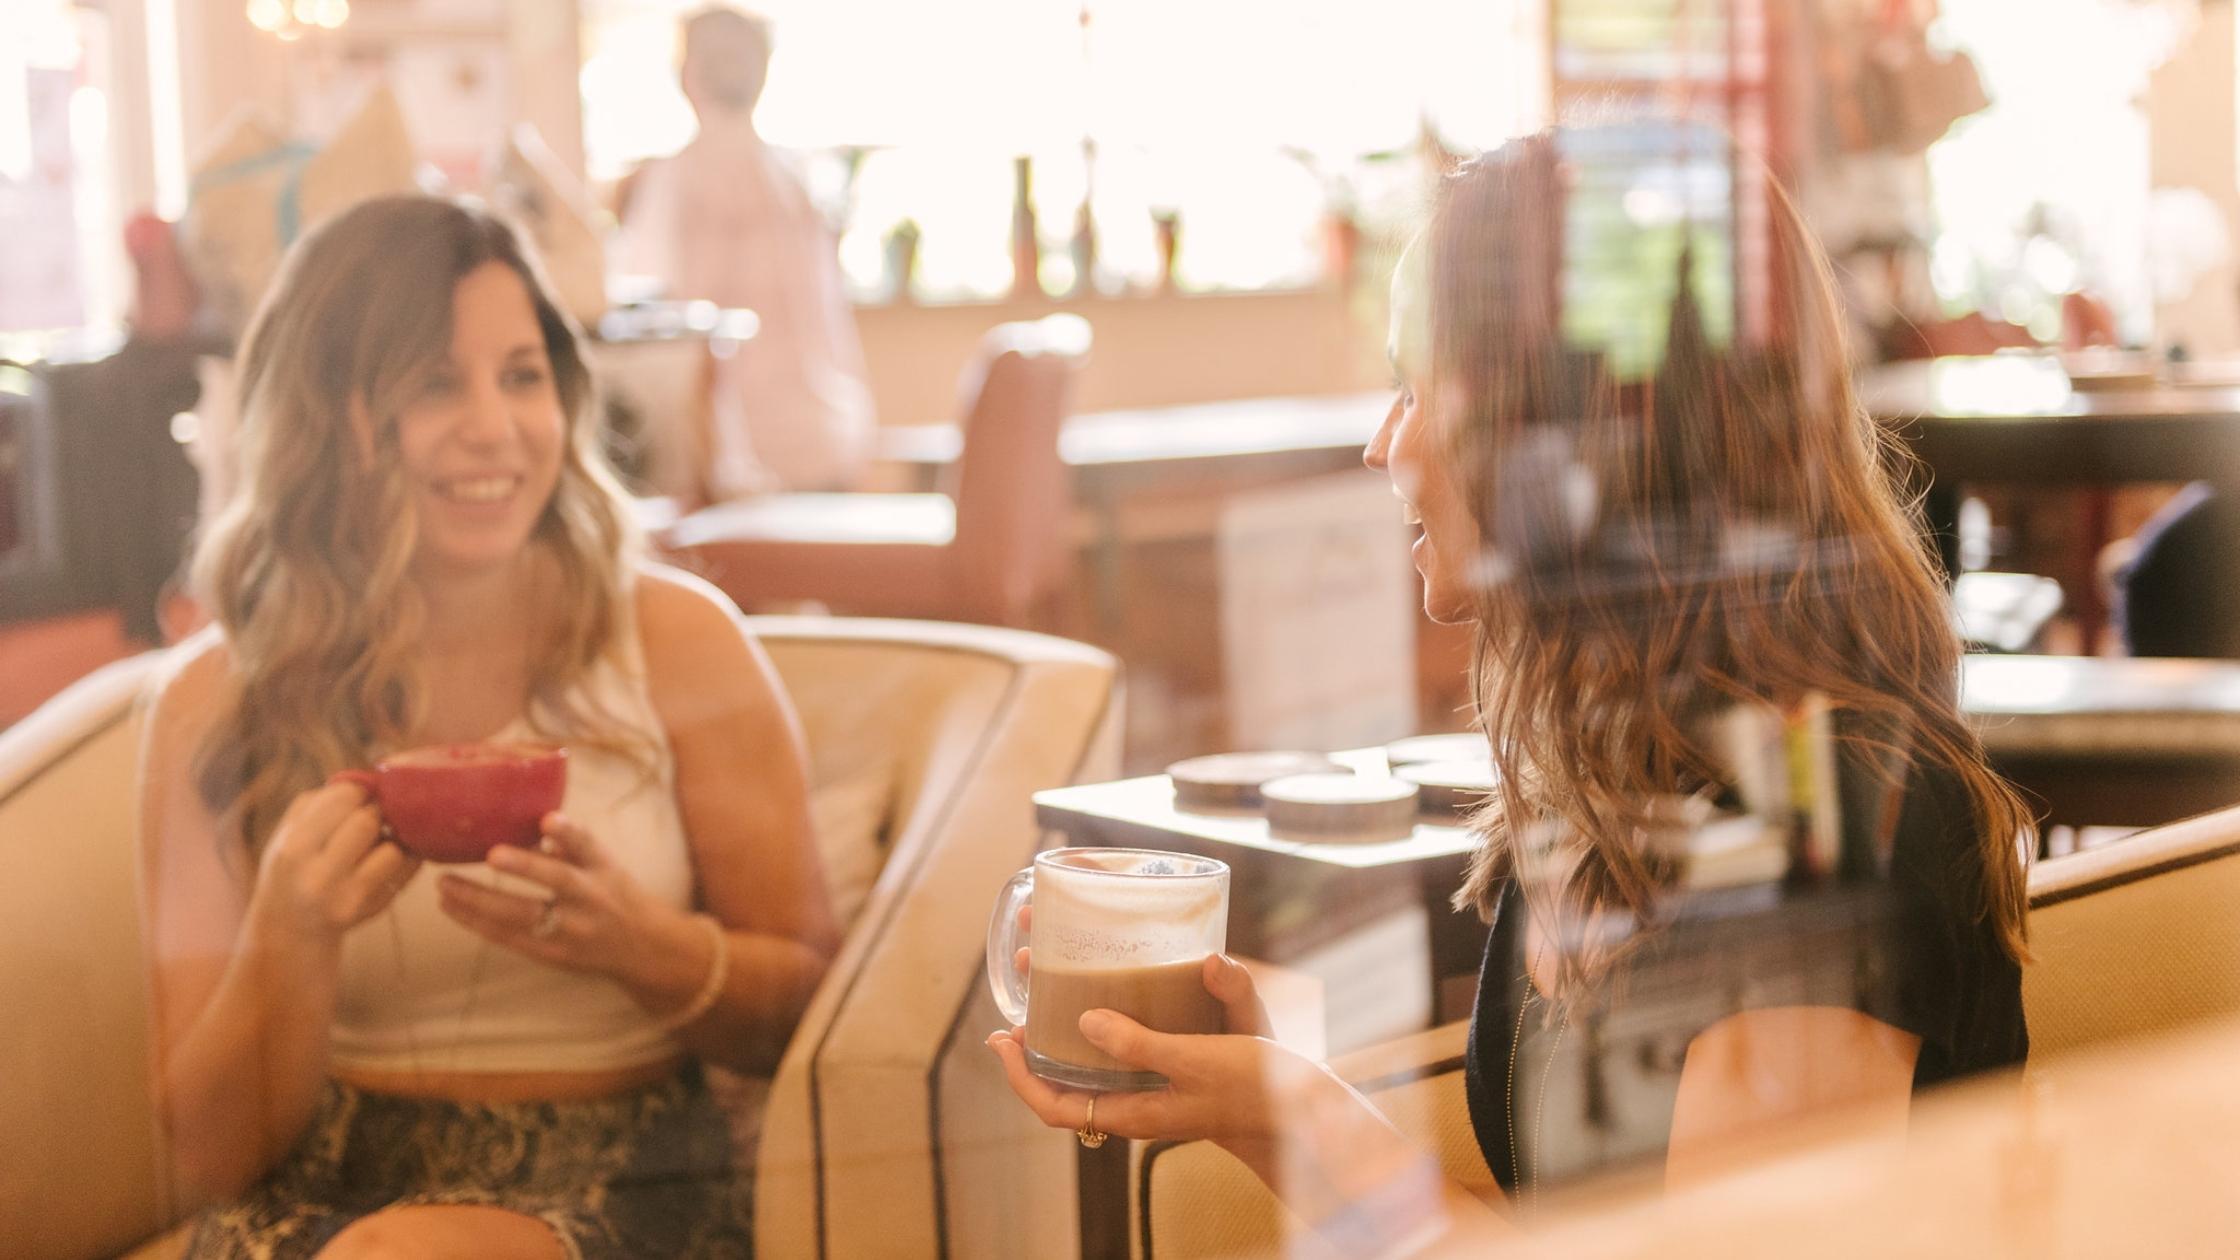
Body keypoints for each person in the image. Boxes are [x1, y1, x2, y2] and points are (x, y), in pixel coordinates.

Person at [990, 128, 2033, 1251]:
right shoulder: (1608, 777)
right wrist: (1271, 1104)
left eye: (1413, 386)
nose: (1382, 445)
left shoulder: (1818, 828)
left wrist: (1297, 1113)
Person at [139, 194, 839, 1258]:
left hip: (627, 1167)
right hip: (322, 1183)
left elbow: (808, 1006)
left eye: (521, 376)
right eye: (433, 384)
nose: (496, 426)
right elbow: (211, 1158)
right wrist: (291, 937)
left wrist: (646, 949)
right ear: (324, 416)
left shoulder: (676, 641)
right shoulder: (214, 702)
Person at [612, 6, 876, 501]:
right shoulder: (791, 180)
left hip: (736, 461)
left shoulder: (676, 181)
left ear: (689, 77)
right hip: (826, 440)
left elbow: (650, 334)